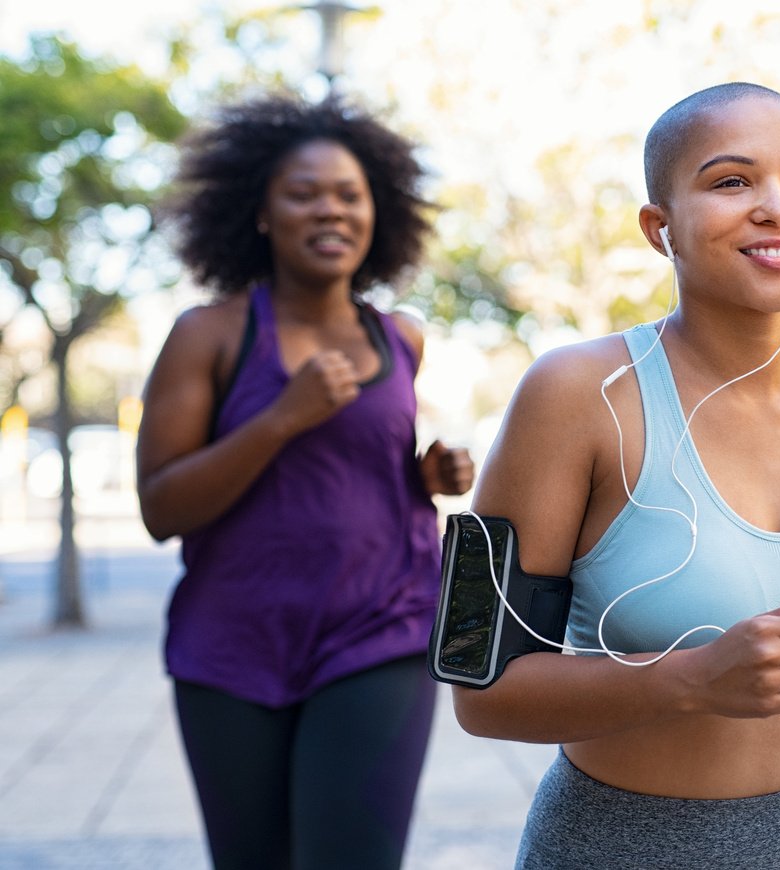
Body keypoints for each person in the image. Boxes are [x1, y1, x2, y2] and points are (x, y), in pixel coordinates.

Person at [452, 82, 780, 870]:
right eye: (731, 181)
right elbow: (476, 687)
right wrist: (689, 680)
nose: (777, 206)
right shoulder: (568, 396)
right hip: (620, 849)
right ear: (661, 230)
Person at [136, 93, 473, 870]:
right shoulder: (209, 336)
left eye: (349, 195)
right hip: (234, 643)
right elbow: (160, 509)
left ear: (377, 213)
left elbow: (363, 471)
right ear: (260, 213)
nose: (331, 210)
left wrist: (428, 474)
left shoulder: (400, 338)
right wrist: (280, 418)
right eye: (304, 193)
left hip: (379, 631)